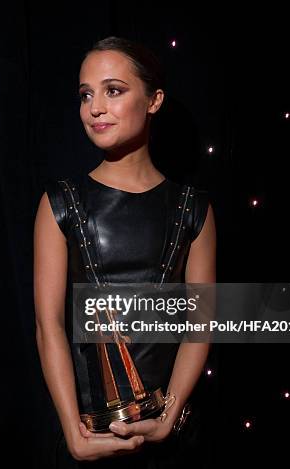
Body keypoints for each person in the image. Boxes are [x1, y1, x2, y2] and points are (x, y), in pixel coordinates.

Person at [33, 36, 216, 467]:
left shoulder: (194, 208)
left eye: (113, 90)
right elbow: (49, 326)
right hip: (85, 442)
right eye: (86, 94)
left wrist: (169, 418)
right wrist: (72, 434)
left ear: (154, 100)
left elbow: (202, 324)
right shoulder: (59, 201)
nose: (95, 107)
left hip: (169, 445)